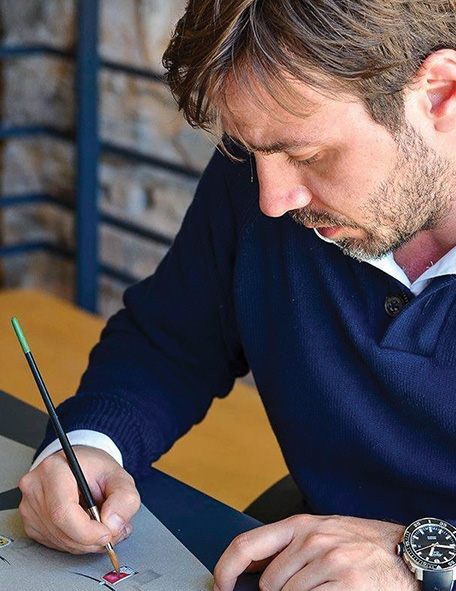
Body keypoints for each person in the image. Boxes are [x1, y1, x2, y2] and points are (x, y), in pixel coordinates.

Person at [18, 1, 456, 590]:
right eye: (252, 151)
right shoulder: (263, 178)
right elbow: (171, 344)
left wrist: (422, 559)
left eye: (307, 156)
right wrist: (91, 447)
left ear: (440, 93)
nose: (272, 201)